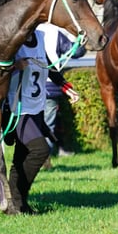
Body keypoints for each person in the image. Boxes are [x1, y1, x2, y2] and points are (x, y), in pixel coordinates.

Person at [5, 28, 79, 214]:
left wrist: (65, 87)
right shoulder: (13, 38)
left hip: (37, 106)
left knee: (21, 157)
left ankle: (19, 203)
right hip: (18, 109)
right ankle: (17, 198)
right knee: (40, 150)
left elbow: (48, 66)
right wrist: (14, 66)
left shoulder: (39, 37)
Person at [37, 22, 86, 158]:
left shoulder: (28, 30)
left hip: (29, 87)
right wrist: (80, 41)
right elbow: (76, 52)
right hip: (50, 86)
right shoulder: (54, 32)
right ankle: (43, 157)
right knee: (48, 124)